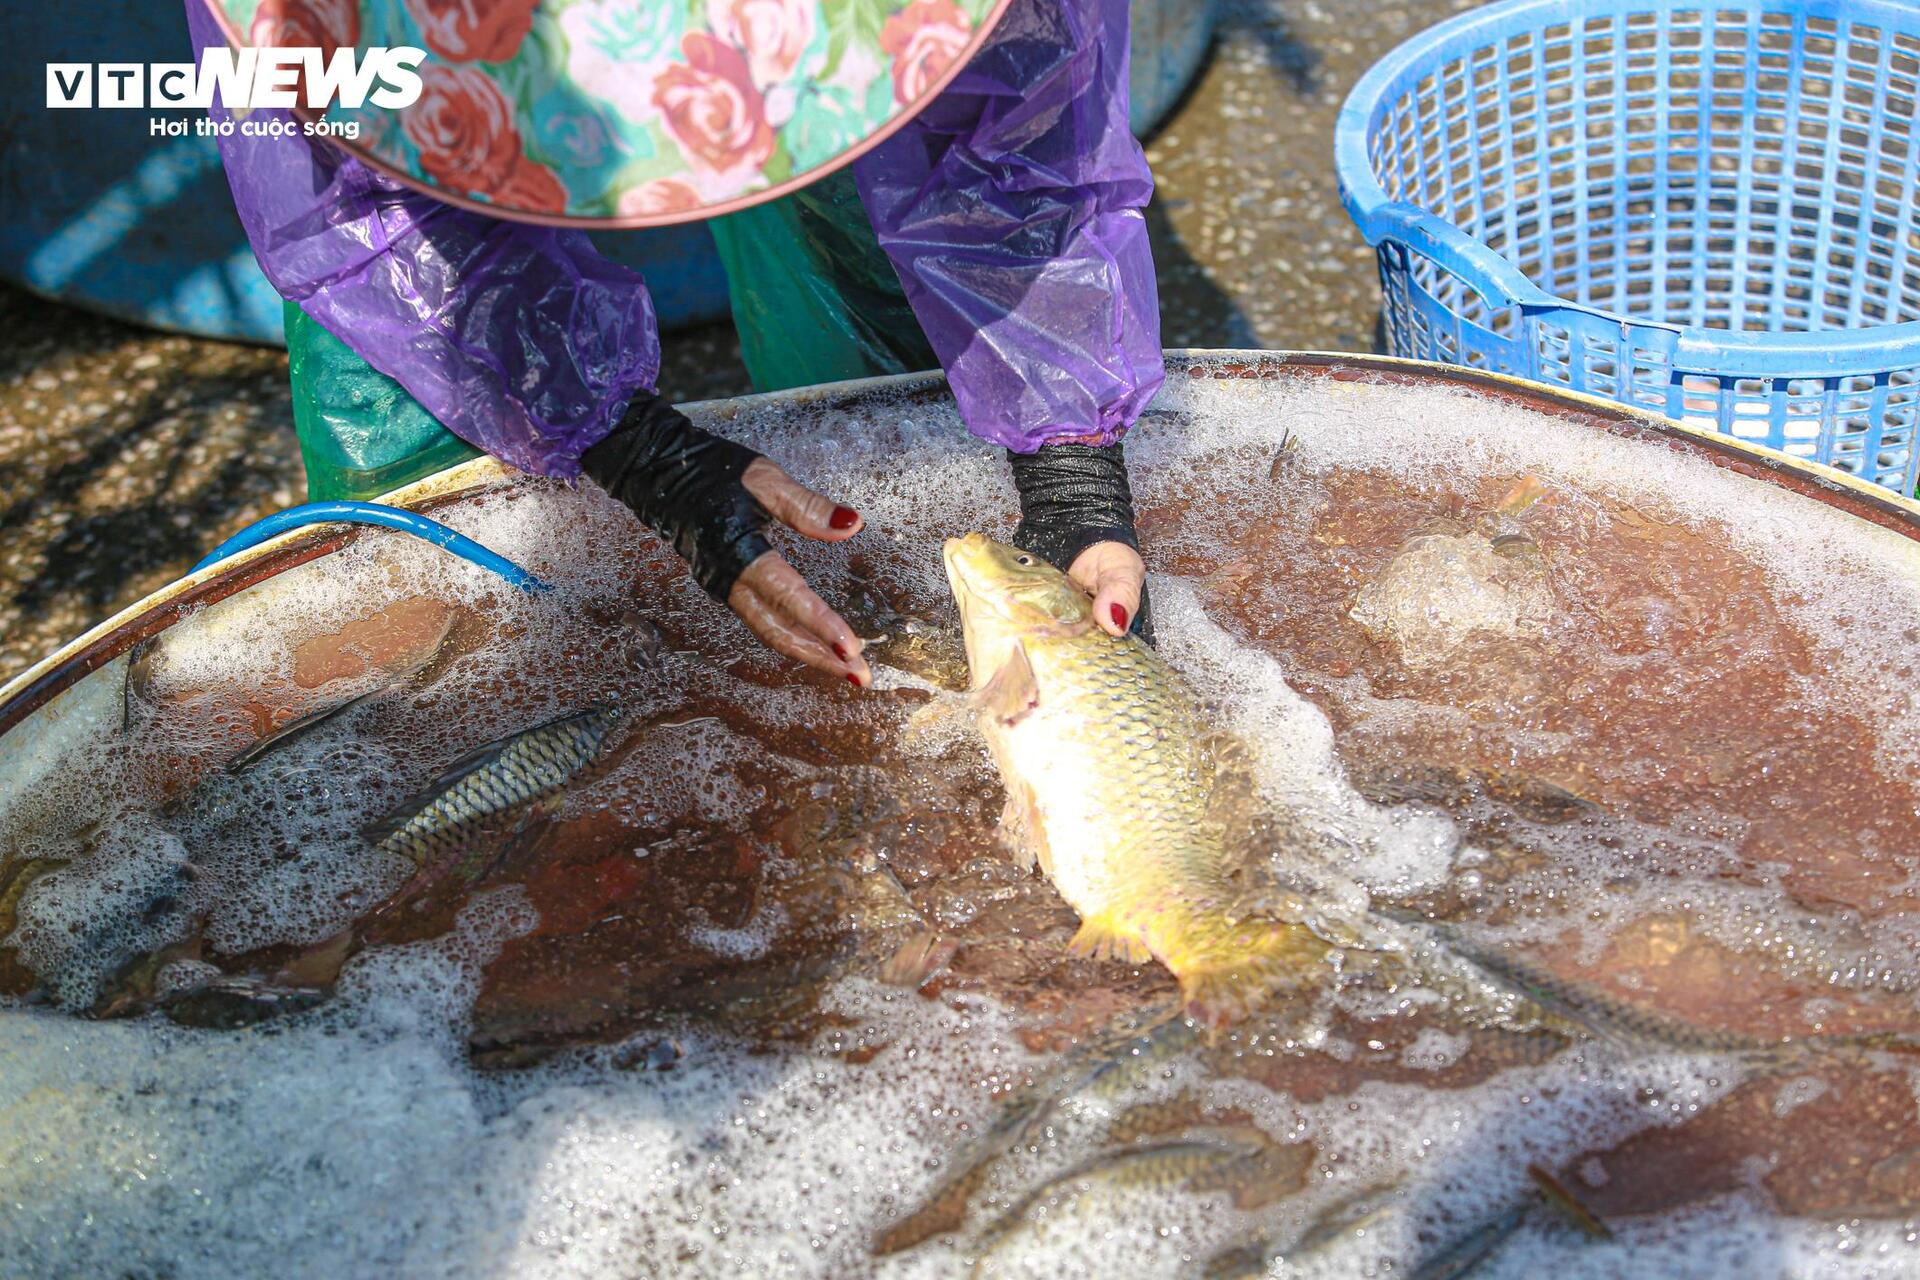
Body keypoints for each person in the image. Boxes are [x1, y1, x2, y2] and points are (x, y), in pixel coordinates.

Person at [187, 0, 1164, 687]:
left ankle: (882, 576)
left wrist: (1069, 462)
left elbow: (1019, 109)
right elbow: (358, 205)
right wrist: (633, 449)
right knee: (435, 610)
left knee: (878, 244)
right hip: (404, 78)